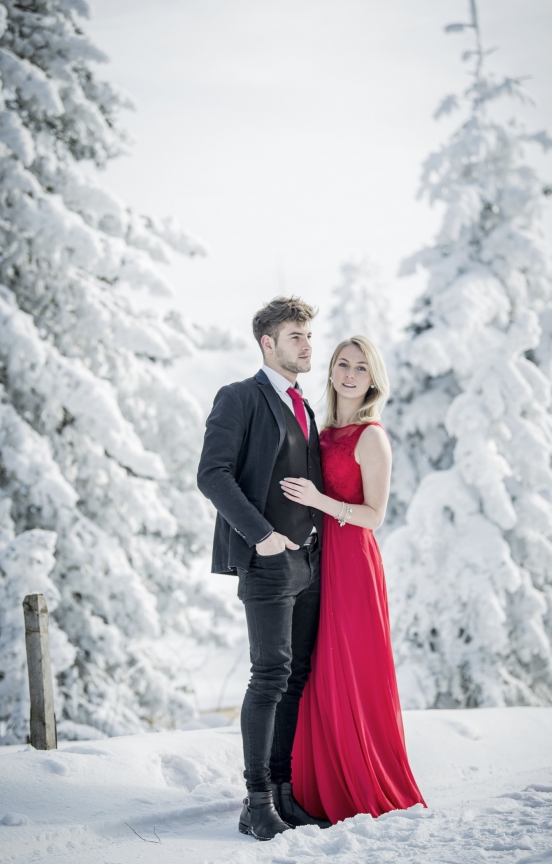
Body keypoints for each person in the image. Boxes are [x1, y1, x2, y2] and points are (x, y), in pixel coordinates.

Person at [197, 296, 331, 841]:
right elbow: (213, 474)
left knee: (295, 676)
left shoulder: (304, 404)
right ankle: (255, 802)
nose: (307, 345)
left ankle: (280, 794)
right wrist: (265, 537)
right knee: (270, 675)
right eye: (295, 336)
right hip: (268, 560)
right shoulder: (240, 397)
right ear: (267, 343)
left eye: (308, 336)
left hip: (309, 561)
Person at [282, 335, 426, 824]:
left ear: (372, 379)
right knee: (317, 670)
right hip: (319, 560)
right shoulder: (321, 432)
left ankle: (361, 783)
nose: (349, 374)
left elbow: (375, 516)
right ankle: (314, 785)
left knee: (350, 670)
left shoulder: (372, 437)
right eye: (342, 364)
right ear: (331, 371)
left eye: (360, 368)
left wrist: (319, 502)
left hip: (354, 565)